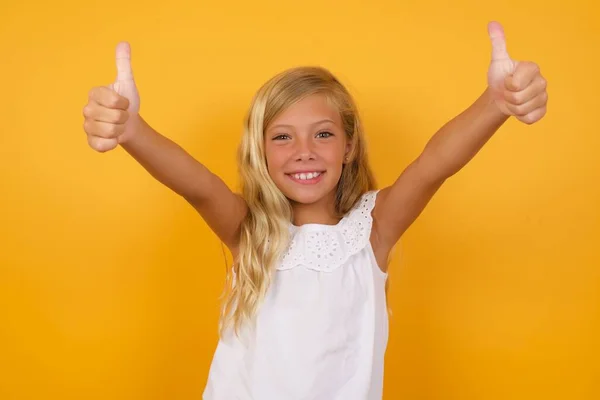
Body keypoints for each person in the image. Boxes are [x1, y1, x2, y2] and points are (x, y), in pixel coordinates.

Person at [82, 21, 548, 400]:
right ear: (261, 152)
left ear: (348, 146)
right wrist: (132, 130)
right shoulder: (251, 231)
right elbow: (196, 184)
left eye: (322, 134)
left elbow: (433, 165)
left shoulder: (372, 231)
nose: (303, 151)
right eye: (282, 137)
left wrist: (495, 104)